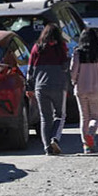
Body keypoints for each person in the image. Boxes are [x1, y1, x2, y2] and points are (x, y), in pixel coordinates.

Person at [27, 23, 70, 155]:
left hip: (41, 87)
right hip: (58, 86)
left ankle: (47, 148)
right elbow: (65, 66)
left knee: (45, 118)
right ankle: (55, 139)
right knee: (60, 115)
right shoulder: (61, 47)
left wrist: (29, 87)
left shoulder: (36, 48)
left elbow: (30, 70)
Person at [70, 28, 98, 154]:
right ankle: (90, 134)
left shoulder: (77, 53)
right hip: (97, 89)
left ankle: (86, 146)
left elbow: (73, 71)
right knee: (95, 116)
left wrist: (74, 81)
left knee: (84, 117)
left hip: (81, 89)